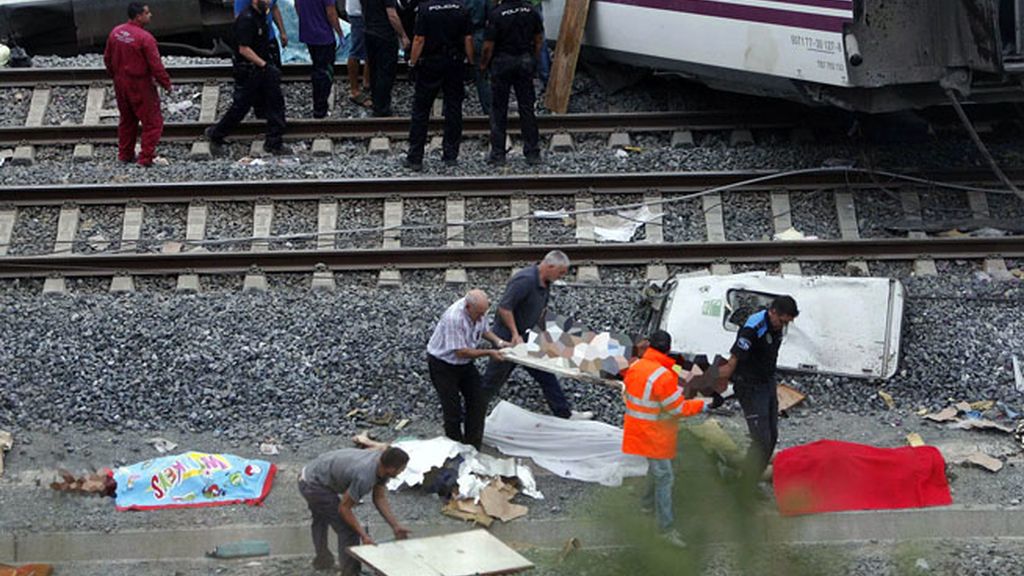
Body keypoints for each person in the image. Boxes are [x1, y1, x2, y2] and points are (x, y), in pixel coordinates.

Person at [480, 250, 591, 420]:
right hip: (507, 339)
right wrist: (515, 334)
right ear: (549, 266)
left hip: (527, 337)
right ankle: (472, 415)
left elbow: (541, 309)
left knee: (545, 374)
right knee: (493, 380)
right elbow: (504, 308)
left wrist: (544, 332)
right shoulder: (524, 281)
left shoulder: (545, 282)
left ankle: (564, 414)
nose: (561, 277)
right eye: (560, 272)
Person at [622, 329, 708, 547]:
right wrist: (702, 404)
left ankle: (646, 505)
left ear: (650, 345)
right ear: (668, 349)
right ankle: (665, 529)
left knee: (656, 469)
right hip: (655, 433)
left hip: (638, 430)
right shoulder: (663, 375)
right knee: (665, 477)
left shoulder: (636, 366)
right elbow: (677, 408)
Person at [716, 295, 800, 488]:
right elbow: (731, 363)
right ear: (773, 312)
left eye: (787, 322)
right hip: (750, 386)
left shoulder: (777, 324)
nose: (783, 326)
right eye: (782, 321)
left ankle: (747, 479)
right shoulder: (752, 329)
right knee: (761, 441)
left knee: (771, 438)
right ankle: (743, 488)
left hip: (767, 382)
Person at [298, 446, 411, 573]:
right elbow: (344, 508)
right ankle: (350, 573)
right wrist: (363, 535)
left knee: (321, 518)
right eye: (402, 469)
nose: (402, 471)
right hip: (313, 483)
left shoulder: (382, 464)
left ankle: (323, 562)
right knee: (348, 531)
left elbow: (379, 498)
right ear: (391, 468)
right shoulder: (364, 476)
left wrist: (395, 526)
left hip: (312, 472)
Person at [205, 0, 291, 156]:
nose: (269, 2)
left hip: (262, 67)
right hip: (252, 69)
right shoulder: (247, 19)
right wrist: (264, 65)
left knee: (276, 102)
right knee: (241, 107)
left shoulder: (261, 15)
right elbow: (243, 49)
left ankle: (274, 142)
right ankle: (216, 134)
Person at [427, 289, 506, 449]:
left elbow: (484, 330)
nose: (482, 316)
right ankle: (456, 448)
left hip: (464, 364)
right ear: (468, 307)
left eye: (484, 312)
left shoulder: (479, 311)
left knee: (478, 401)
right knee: (452, 409)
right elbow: (461, 352)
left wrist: (499, 342)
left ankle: (473, 446)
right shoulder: (454, 318)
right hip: (443, 364)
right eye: (479, 313)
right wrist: (489, 352)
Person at [403, 0, 473, 171]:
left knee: (421, 110)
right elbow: (468, 38)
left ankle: (415, 157)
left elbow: (419, 39)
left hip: (430, 64)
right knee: (454, 108)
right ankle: (450, 155)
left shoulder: (426, 10)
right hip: (454, 63)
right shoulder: (462, 9)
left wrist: (412, 63)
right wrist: (470, 62)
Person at [103, 2, 171, 167]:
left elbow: (107, 58)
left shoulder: (116, 32)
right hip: (140, 85)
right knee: (153, 123)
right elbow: (156, 65)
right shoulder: (145, 39)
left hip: (121, 83)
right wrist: (166, 83)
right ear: (139, 16)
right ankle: (145, 158)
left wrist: (115, 75)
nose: (150, 15)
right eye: (147, 13)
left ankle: (125, 154)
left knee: (127, 120)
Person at [479, 0, 543, 166]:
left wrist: (483, 65)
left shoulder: (497, 13)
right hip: (524, 60)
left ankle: (498, 154)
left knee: (499, 109)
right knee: (527, 107)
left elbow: (488, 46)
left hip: (502, 63)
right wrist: (533, 60)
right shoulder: (531, 10)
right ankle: (532, 152)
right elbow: (538, 39)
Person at [361, 0, 411, 116]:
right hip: (385, 34)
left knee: (374, 70)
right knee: (385, 73)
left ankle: (376, 102)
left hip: (369, 32)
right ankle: (382, 108)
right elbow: (392, 14)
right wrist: (403, 35)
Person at [296, 0, 344, 118]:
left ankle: (318, 104)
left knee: (317, 68)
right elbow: (331, 12)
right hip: (324, 36)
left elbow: (297, 7)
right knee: (325, 73)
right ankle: (320, 108)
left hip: (308, 35)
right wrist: (340, 32)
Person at [233, 0, 287, 66]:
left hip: (269, 37)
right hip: (254, 43)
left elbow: (273, 7)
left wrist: (282, 32)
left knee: (275, 70)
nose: (268, 1)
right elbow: (239, 20)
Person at [344, 0, 372, 108]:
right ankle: (354, 90)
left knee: (369, 47)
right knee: (356, 50)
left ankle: (367, 82)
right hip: (358, 13)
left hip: (364, 12)